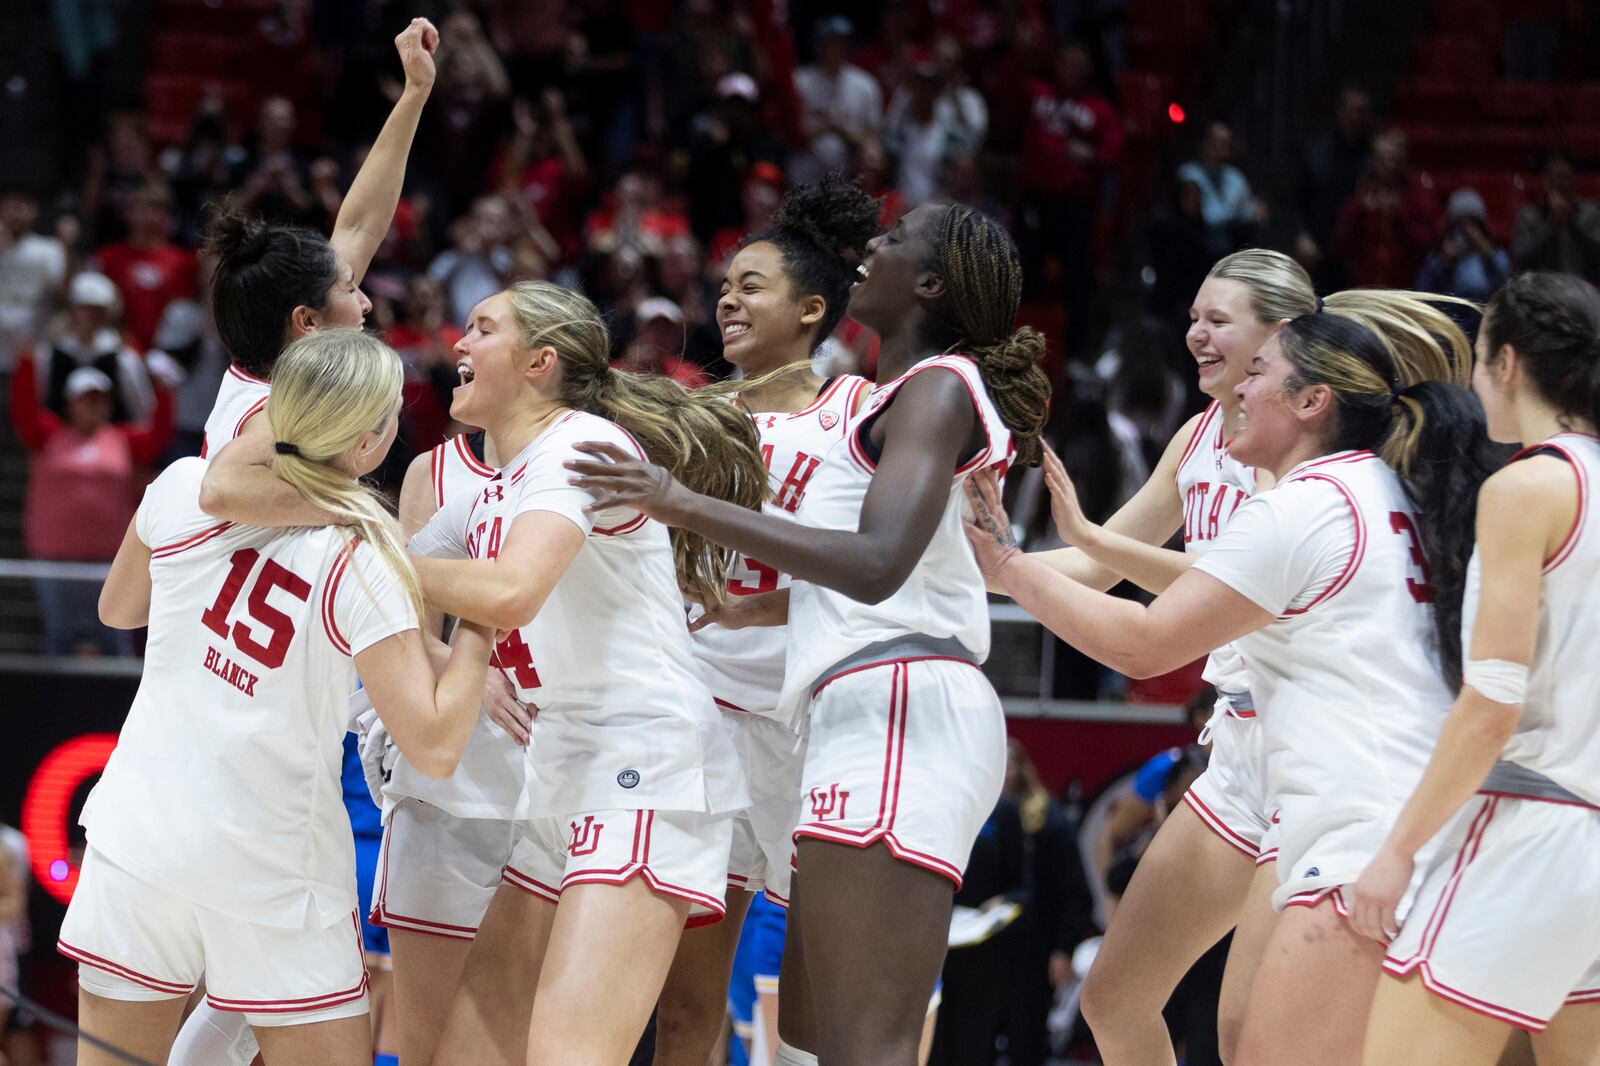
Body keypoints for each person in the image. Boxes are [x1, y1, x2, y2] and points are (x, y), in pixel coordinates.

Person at [212, 280, 756, 1064]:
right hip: (563, 767)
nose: (457, 345)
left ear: (540, 362)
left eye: (481, 329)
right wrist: (314, 482)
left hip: (647, 762)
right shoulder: (493, 489)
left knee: (567, 1054)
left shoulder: (578, 446)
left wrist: (362, 543)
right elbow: (370, 573)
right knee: (469, 1052)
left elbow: (508, 590)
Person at [962, 290, 1503, 1065]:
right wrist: (1072, 545)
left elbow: (1148, 643)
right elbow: (1204, 578)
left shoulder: (1307, 503)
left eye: (1257, 368)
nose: (1235, 387)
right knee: (1131, 1004)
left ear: (1312, 396)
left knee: (1254, 1041)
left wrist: (1010, 567)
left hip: (1362, 816)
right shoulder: (1379, 489)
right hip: (1336, 788)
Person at [568, 201, 1052, 1066]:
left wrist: (679, 502)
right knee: (810, 1030)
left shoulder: (935, 387)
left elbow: (873, 565)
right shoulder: (904, 400)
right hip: (840, 703)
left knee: (866, 1045)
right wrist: (753, 601)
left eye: (897, 243)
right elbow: (856, 564)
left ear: (931, 285)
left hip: (899, 699)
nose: (874, 247)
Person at [56, 329, 494, 1066]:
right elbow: (435, 745)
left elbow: (117, 609)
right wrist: (484, 618)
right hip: (272, 867)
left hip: (140, 841)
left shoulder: (179, 487)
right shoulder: (362, 555)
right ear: (365, 445)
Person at [651, 173, 878, 1066]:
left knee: (817, 1018)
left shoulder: (859, 415)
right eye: (723, 288)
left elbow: (880, 570)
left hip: (815, 723)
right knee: (683, 1010)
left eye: (752, 285)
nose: (728, 301)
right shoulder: (692, 417)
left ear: (813, 309)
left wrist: (759, 605)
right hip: (701, 716)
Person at [1353, 273, 1600, 1063]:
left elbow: (1493, 703)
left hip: (1534, 825)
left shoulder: (1527, 485)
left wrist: (1398, 852)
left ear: (1510, 362)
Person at [196, 17, 440, 461]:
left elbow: (360, 225)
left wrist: (415, 91)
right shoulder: (266, 419)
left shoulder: (282, 368)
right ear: (306, 321)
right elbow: (215, 490)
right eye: (350, 289)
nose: (366, 302)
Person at [11, 358, 172, 656]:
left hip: (109, 562)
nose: (94, 406)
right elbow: (23, 411)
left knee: (115, 640)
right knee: (58, 639)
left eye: (100, 399)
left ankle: (121, 702)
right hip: (54, 559)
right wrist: (26, 359)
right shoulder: (49, 435)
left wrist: (164, 392)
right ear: (70, 403)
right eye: (86, 399)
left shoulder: (122, 439)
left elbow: (158, 437)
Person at [34, 271, 153, 423]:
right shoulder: (50, 355)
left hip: (110, 441)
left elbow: (141, 412)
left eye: (97, 310)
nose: (90, 316)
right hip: (62, 440)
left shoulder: (124, 358)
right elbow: (40, 404)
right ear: (73, 309)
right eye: (84, 308)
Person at [790, 17, 883, 186]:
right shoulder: (800, 81)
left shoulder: (865, 85)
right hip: (804, 180)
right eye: (830, 42)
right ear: (818, 45)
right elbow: (788, 133)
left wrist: (845, 133)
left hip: (846, 181)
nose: (835, 49)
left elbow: (872, 136)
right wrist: (827, 127)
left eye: (841, 43)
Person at [1511, 153, 1600, 282]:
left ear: (1574, 181)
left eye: (1566, 178)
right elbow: (1520, 258)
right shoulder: (1529, 216)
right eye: (1555, 178)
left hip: (1583, 289)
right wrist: (1550, 226)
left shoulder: (1590, 213)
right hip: (1541, 289)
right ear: (1544, 182)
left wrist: (1573, 223)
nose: (1561, 184)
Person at [1176, 122, 1258, 258]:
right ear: (1205, 144)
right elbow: (1208, 218)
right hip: (1194, 254)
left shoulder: (1235, 177)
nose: (1222, 149)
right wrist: (1234, 211)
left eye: (1226, 144)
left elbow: (1251, 213)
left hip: (1231, 253)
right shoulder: (1189, 176)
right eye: (1217, 143)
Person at [1416, 188, 1511, 303]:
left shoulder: (1494, 255)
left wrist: (1487, 254)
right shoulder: (1438, 257)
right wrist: (1444, 262)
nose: (1466, 231)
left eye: (1471, 223)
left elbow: (1507, 286)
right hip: (1451, 313)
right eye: (1460, 225)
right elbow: (1422, 292)